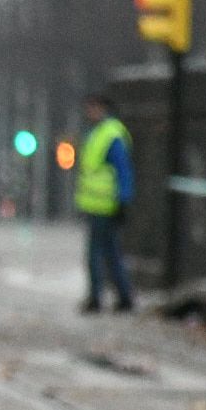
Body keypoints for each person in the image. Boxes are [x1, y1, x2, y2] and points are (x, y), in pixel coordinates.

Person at [76, 91, 136, 313]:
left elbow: (123, 169)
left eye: (93, 107)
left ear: (102, 108)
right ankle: (124, 296)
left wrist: (123, 199)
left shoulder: (110, 134)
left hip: (105, 204)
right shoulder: (99, 133)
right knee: (111, 252)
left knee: (96, 253)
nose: (89, 112)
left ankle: (96, 297)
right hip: (98, 204)